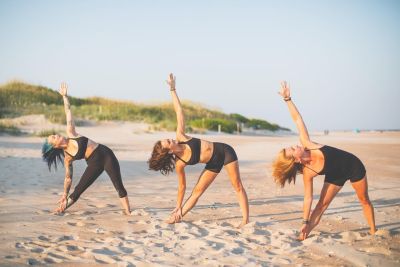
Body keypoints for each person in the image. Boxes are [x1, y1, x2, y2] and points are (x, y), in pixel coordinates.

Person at [272, 81, 376, 240]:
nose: (295, 145)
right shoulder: (308, 173)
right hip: (335, 176)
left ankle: (374, 232)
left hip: (353, 165)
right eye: (293, 149)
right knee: (321, 205)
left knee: (364, 200)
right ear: (297, 160)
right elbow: (308, 199)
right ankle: (303, 235)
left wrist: (287, 99)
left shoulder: (308, 143)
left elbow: (298, 119)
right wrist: (304, 221)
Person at [148, 74, 249, 227]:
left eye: (168, 138)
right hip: (213, 163)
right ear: (169, 151)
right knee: (197, 192)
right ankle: (178, 215)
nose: (171, 139)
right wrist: (178, 205)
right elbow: (182, 187)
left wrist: (172, 89)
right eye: (169, 142)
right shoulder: (179, 164)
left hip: (225, 151)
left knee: (237, 185)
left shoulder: (181, 136)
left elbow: (179, 112)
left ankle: (245, 220)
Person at [42, 82, 131, 215]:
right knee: (78, 190)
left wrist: (65, 97)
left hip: (106, 155)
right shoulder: (68, 157)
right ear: (55, 146)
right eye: (54, 137)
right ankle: (62, 208)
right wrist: (64, 194)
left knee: (118, 186)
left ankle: (128, 212)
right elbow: (68, 178)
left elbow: (68, 112)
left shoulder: (71, 133)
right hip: (94, 164)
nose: (57, 135)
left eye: (54, 135)